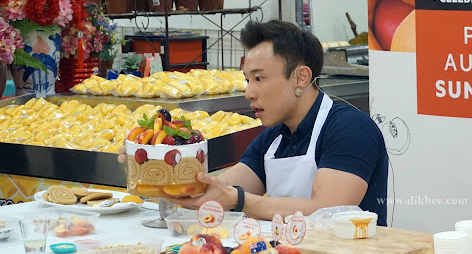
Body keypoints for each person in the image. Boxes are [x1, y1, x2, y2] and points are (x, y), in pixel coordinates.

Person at [121, 20, 389, 225]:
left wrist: (238, 200)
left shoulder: (350, 128)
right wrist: (156, 161)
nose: (249, 92)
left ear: (301, 78)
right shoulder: (272, 138)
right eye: (248, 80)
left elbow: (328, 211)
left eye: (259, 79)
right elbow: (211, 192)